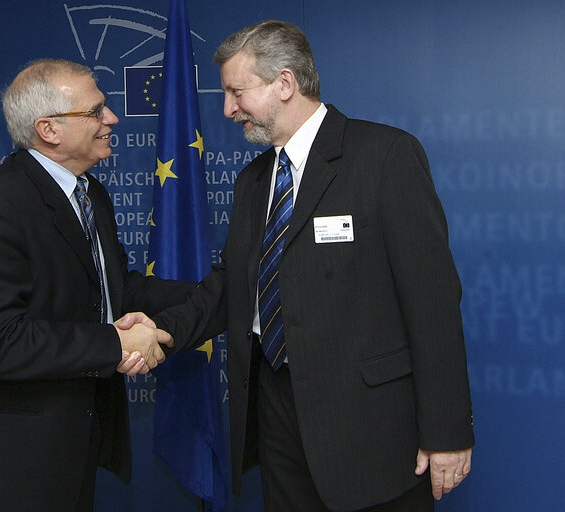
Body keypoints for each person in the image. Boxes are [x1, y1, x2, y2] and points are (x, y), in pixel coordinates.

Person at [138, 20, 474, 512]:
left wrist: (447, 432)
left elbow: (433, 303)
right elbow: (234, 285)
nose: (228, 109)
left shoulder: (384, 156)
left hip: (371, 429)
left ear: (285, 83)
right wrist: (161, 331)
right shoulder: (253, 181)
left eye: (236, 92)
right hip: (277, 415)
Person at [0, 59, 193, 512]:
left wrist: (226, 292)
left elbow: (112, 293)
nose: (112, 119)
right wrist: (116, 341)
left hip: (69, 454)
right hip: (5, 470)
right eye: (95, 111)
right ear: (48, 129)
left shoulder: (90, 194)